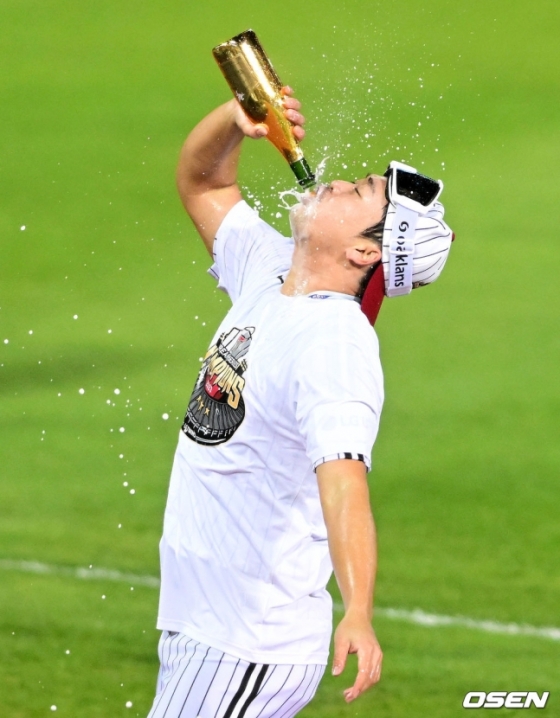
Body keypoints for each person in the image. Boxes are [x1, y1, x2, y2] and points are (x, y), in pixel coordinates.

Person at [147, 88, 453, 718]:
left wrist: (359, 612)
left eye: (358, 192)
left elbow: (344, 483)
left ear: (366, 252)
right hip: (210, 630)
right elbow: (202, 182)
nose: (337, 182)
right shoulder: (269, 273)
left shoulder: (334, 345)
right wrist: (236, 124)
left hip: (246, 644)